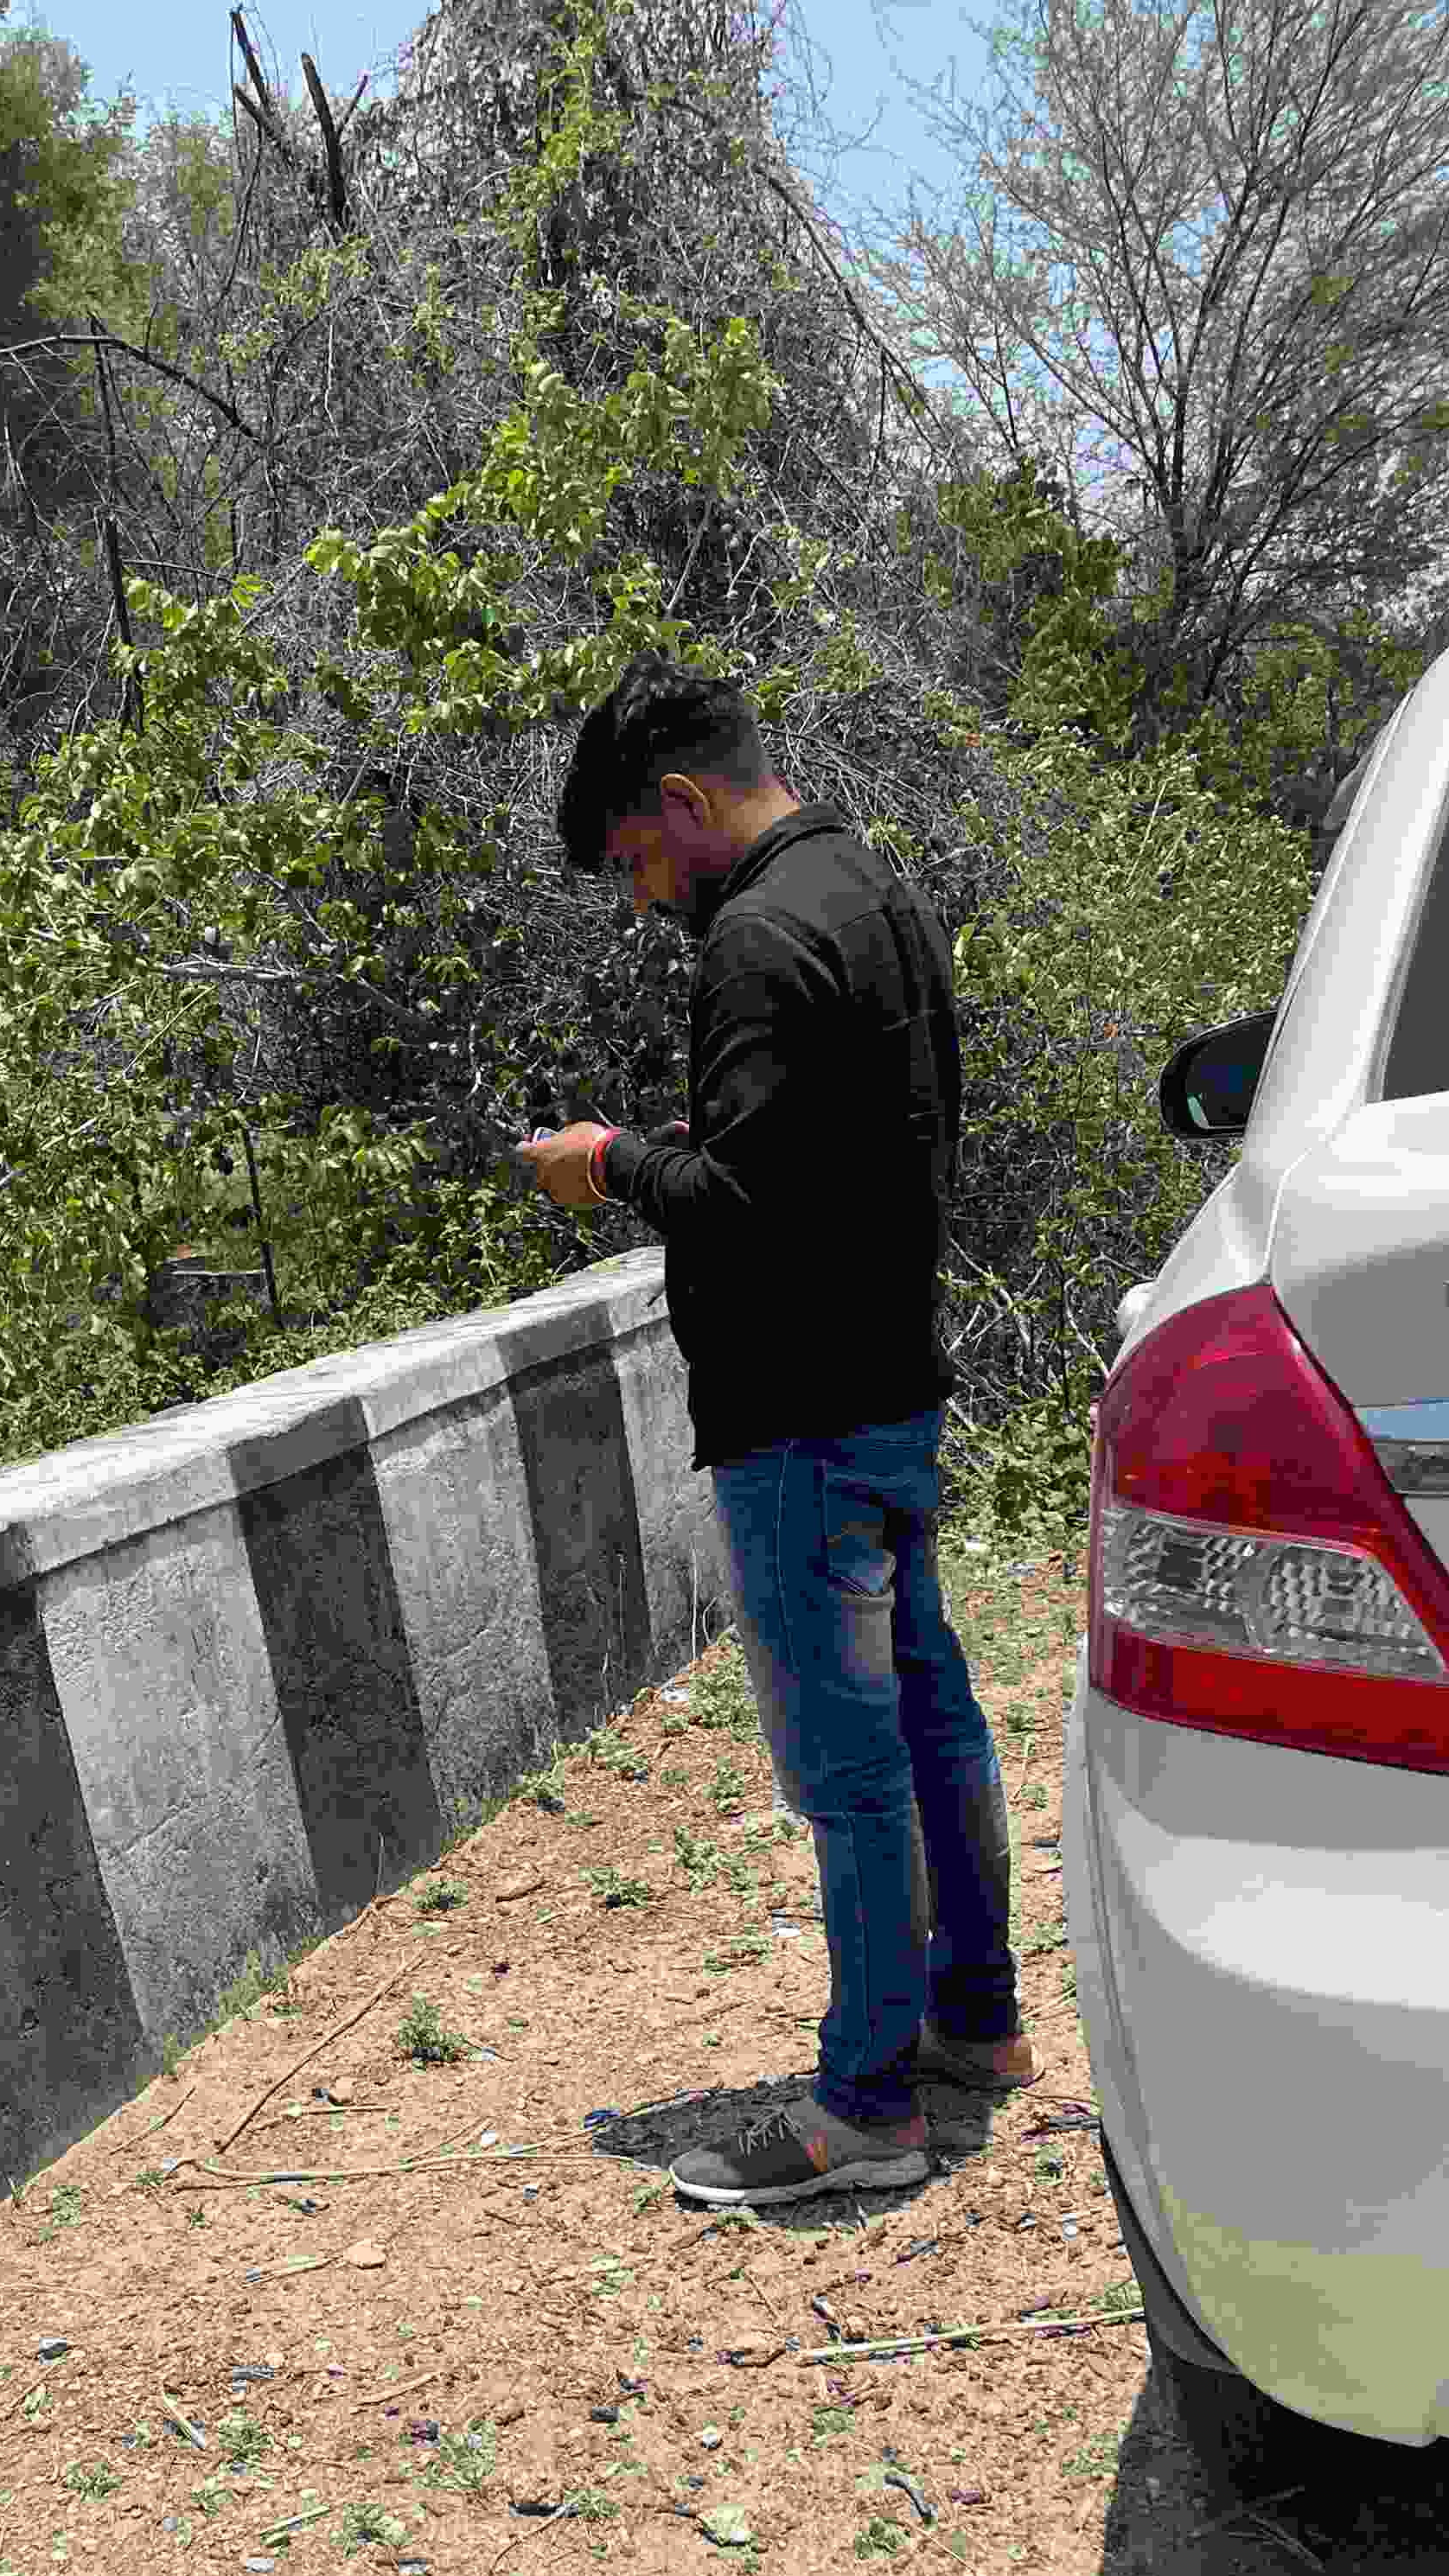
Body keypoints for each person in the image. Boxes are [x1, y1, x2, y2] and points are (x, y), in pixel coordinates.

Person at [517, 654, 1032, 2211]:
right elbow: (845, 1151)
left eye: (636, 861)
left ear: (684, 802)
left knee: (848, 1768)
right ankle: (977, 2022)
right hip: (889, 1392)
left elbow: (742, 1201)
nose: (642, 898)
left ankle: (866, 2109)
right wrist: (704, 1150)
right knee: (933, 1720)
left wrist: (610, 1160)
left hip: (801, 1422)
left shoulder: (752, 940)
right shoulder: (871, 890)